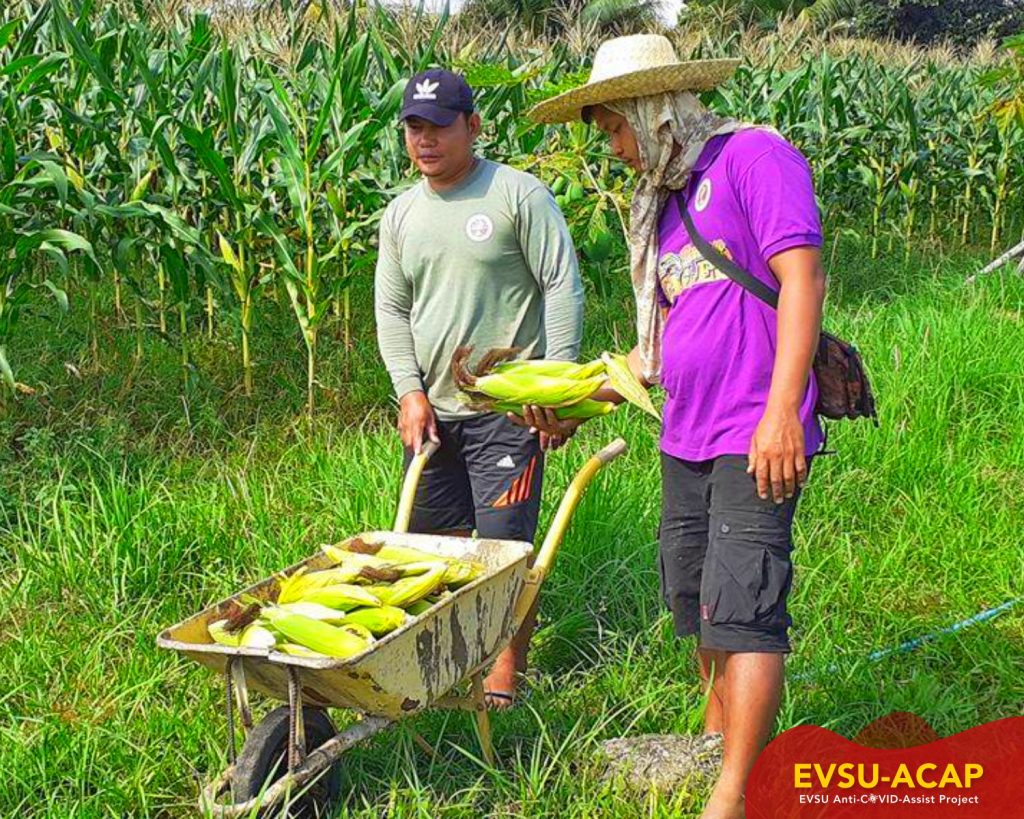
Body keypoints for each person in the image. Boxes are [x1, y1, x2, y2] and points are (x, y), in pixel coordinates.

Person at [527, 35, 827, 819]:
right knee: (698, 599)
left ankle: (733, 793)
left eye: (615, 130)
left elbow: (803, 276)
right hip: (684, 434)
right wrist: (578, 401)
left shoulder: (753, 158)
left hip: (752, 430)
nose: (616, 149)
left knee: (746, 604)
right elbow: (655, 350)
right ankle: (719, 736)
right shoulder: (664, 202)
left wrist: (780, 414)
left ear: (649, 107)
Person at [375, 68, 585, 709]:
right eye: (414, 127)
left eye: (439, 127)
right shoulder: (402, 213)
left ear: (473, 126)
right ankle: (436, 673)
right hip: (434, 411)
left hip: (507, 411)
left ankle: (499, 683)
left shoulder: (517, 195)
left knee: (503, 551)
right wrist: (409, 392)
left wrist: (560, 383)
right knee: (428, 551)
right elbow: (391, 309)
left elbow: (561, 285)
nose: (425, 140)